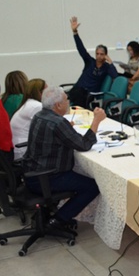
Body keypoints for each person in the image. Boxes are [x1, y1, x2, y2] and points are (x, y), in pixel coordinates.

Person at [23, 86, 104, 230]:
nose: (69, 102)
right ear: (58, 105)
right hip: (48, 177)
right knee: (92, 186)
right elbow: (84, 145)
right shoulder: (58, 122)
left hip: (32, 172)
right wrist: (96, 121)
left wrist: (67, 128)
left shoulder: (39, 115)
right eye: (67, 100)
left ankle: (58, 213)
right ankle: (58, 220)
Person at [67, 16, 118, 106]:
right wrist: (75, 33)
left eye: (101, 54)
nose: (99, 56)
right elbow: (81, 49)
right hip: (78, 89)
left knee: (74, 102)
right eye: (97, 53)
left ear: (105, 55)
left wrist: (110, 62)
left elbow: (115, 76)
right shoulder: (90, 61)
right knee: (62, 98)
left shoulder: (106, 67)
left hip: (89, 94)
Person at [10, 78, 47, 160]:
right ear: (40, 92)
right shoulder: (36, 106)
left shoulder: (28, 103)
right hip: (24, 150)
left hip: (19, 147)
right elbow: (49, 128)